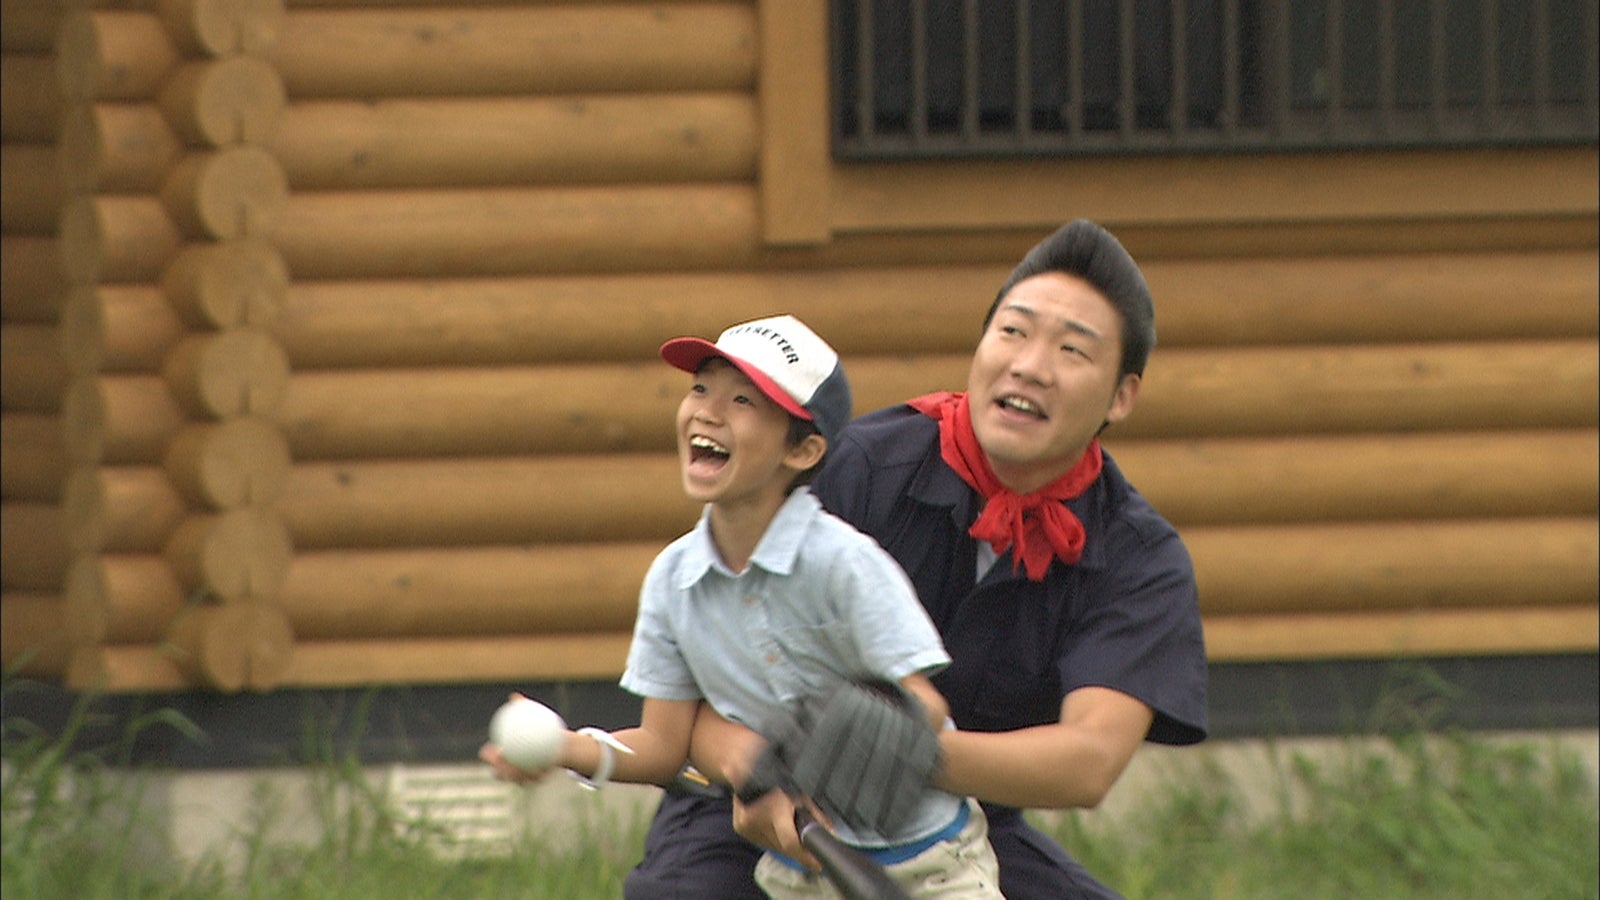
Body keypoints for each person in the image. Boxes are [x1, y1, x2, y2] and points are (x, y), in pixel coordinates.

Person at [623, 220, 1209, 899]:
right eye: (1012, 332)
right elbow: (690, 696)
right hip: (751, 802)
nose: (1029, 365)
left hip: (954, 827)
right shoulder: (855, 469)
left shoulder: (1141, 556)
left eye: (1073, 350)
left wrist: (903, 754)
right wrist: (760, 771)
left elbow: (1087, 761)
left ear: (1122, 396)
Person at [482, 314, 1004, 897]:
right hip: (798, 870)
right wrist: (566, 748)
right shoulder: (672, 580)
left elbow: (925, 704)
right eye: (701, 389)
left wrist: (845, 735)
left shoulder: (846, 562)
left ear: (803, 450)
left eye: (743, 401)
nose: (708, 411)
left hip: (933, 863)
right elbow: (662, 747)